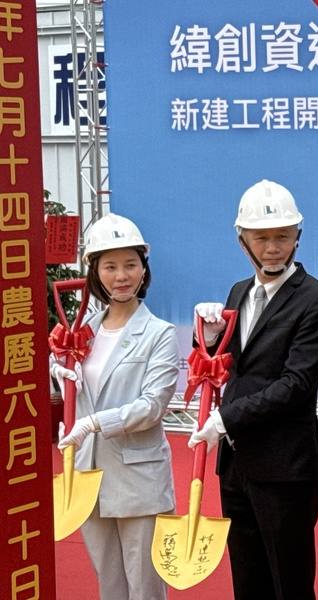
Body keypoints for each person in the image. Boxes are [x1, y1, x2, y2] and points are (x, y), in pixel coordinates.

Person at [190, 179, 318, 600]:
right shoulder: (239, 293)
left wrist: (224, 418)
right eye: (262, 238)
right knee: (247, 583)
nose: (272, 247)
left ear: (298, 237)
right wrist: (206, 337)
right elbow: (222, 367)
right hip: (236, 466)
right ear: (243, 241)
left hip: (286, 468)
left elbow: (296, 385)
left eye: (282, 237)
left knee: (289, 585)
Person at [51, 213, 179, 600]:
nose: (121, 275)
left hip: (138, 479)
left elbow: (152, 406)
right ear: (95, 272)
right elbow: (78, 387)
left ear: (144, 269)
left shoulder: (159, 334)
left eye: (130, 264)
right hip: (87, 475)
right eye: (110, 266)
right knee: (109, 585)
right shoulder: (82, 330)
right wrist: (58, 375)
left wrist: (91, 423)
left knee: (145, 588)